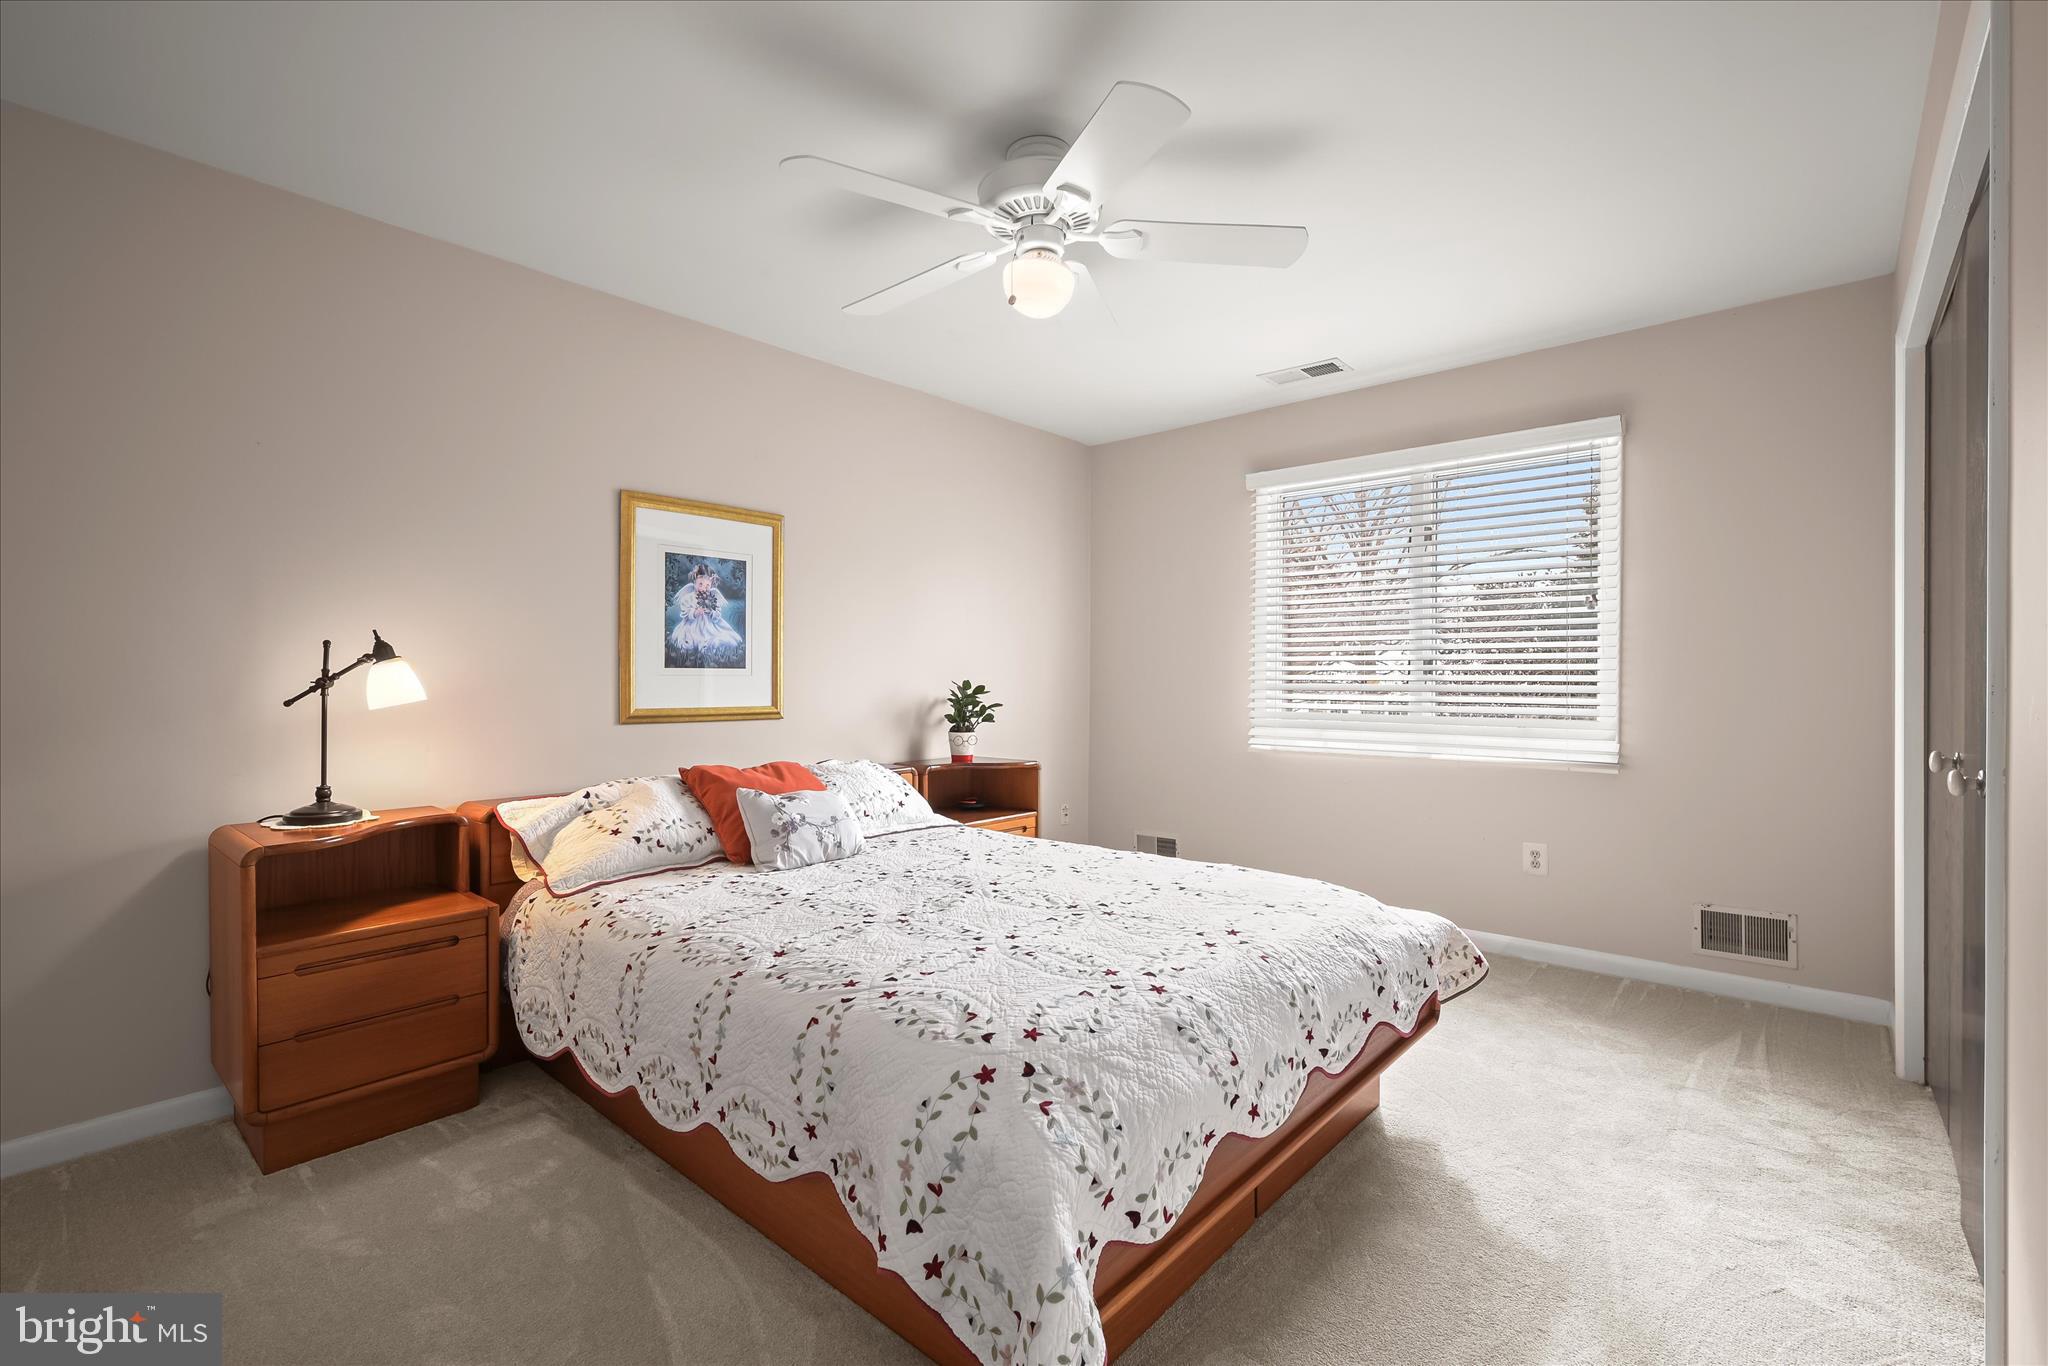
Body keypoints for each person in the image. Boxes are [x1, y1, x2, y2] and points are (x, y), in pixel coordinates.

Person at [671, 563, 744, 663]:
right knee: (688, 640)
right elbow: (686, 613)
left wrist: (711, 612)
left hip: (709, 626)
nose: (704, 588)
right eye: (700, 584)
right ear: (695, 583)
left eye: (707, 585)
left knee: (719, 638)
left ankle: (710, 646)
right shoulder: (689, 598)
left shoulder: (712, 598)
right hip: (692, 626)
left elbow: (717, 614)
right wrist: (695, 612)